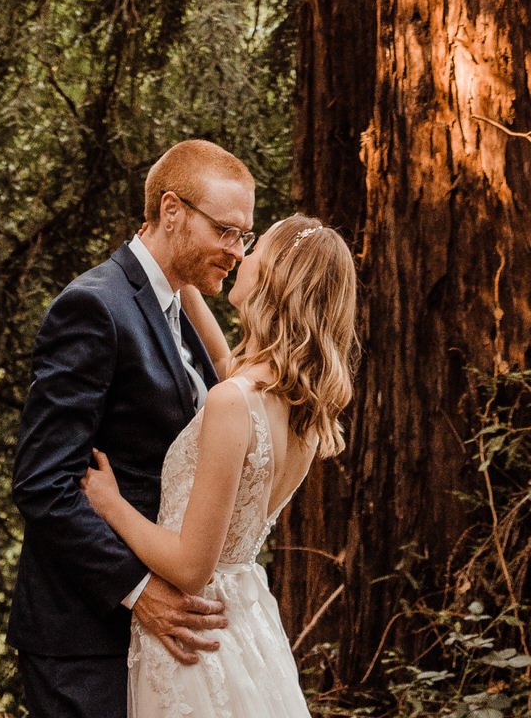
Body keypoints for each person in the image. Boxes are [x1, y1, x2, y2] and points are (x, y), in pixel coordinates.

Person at [9, 140, 258, 718]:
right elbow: (43, 481)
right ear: (171, 211)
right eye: (225, 231)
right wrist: (137, 589)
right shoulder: (94, 307)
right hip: (83, 637)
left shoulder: (176, 307)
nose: (237, 252)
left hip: (150, 638)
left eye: (244, 236)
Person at [80, 212, 357, 718]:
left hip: (194, 631)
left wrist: (111, 504)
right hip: (242, 619)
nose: (240, 256)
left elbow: (190, 567)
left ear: (275, 278)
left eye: (255, 250)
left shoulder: (234, 401)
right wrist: (173, 269)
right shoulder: (295, 403)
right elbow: (226, 361)